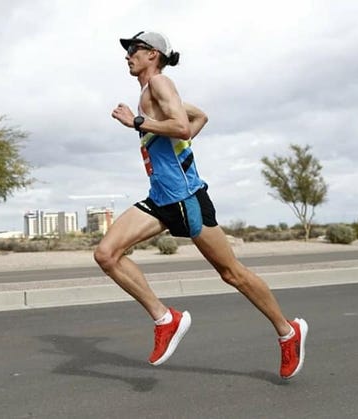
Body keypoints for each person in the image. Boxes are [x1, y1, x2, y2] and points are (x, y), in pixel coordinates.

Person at [94, 31, 308, 379]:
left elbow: (181, 126)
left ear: (153, 54)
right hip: (161, 197)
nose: (127, 55)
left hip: (186, 198)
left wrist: (135, 121)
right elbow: (198, 118)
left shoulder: (161, 83)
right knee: (106, 254)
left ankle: (288, 331)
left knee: (232, 273)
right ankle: (166, 319)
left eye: (133, 49)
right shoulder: (152, 93)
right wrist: (165, 130)